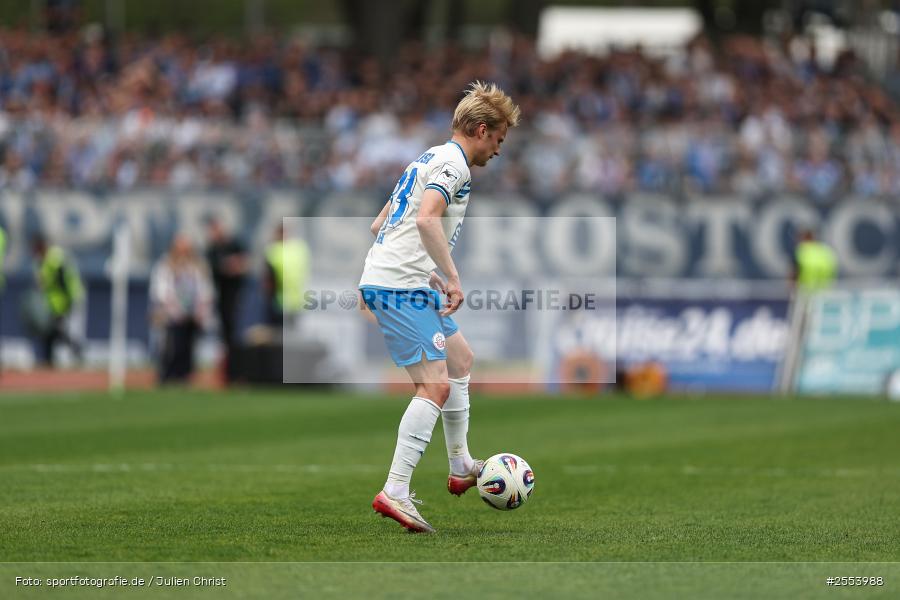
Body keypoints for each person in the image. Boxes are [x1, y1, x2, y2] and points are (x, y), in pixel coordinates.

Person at [359, 81, 520, 533]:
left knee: (461, 359)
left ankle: (460, 463)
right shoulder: (455, 166)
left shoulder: (429, 156)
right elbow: (427, 216)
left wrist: (421, 264)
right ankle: (395, 491)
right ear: (483, 129)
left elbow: (381, 222)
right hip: (397, 287)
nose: (499, 150)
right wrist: (451, 276)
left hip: (404, 279)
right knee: (434, 388)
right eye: (499, 139)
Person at [150, 234, 213, 383]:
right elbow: (160, 290)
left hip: (192, 315)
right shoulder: (165, 265)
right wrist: (172, 307)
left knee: (188, 346)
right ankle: (167, 376)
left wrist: (201, 309)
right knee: (171, 346)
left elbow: (205, 289)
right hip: (172, 315)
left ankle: (184, 376)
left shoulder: (198, 265)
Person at [205, 217, 248, 382]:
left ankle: (237, 373)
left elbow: (243, 265)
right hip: (221, 299)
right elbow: (218, 268)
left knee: (236, 338)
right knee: (225, 338)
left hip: (236, 298)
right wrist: (230, 265)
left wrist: (234, 265)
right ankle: (228, 374)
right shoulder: (212, 250)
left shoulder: (234, 244)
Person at [30, 235, 84, 366]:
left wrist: (68, 301)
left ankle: (75, 350)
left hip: (66, 299)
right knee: (53, 331)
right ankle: (50, 360)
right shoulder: (42, 261)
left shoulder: (55, 257)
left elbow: (63, 280)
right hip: (54, 302)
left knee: (59, 330)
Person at [263, 223, 309, 329]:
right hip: (293, 299)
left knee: (279, 332)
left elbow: (268, 277)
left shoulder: (273, 250)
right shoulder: (300, 249)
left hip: (282, 299)